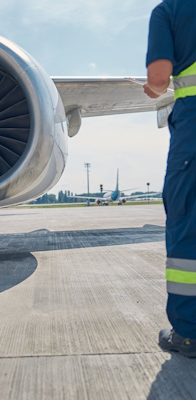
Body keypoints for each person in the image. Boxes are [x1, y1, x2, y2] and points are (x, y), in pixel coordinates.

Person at [144, 0, 196, 357]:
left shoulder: (170, 11)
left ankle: (188, 332)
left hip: (194, 135)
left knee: (187, 230)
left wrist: (153, 89)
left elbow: (159, 80)